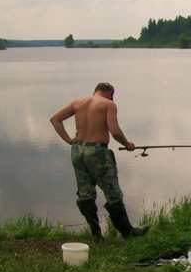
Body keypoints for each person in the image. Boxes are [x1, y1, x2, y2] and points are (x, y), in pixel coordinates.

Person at [50, 82, 148, 241]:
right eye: (113, 95)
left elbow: (55, 119)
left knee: (85, 193)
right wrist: (127, 144)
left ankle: (96, 235)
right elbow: (115, 131)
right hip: (97, 152)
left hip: (77, 150)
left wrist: (69, 140)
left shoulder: (77, 103)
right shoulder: (108, 104)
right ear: (109, 93)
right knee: (112, 192)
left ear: (95, 91)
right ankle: (128, 233)